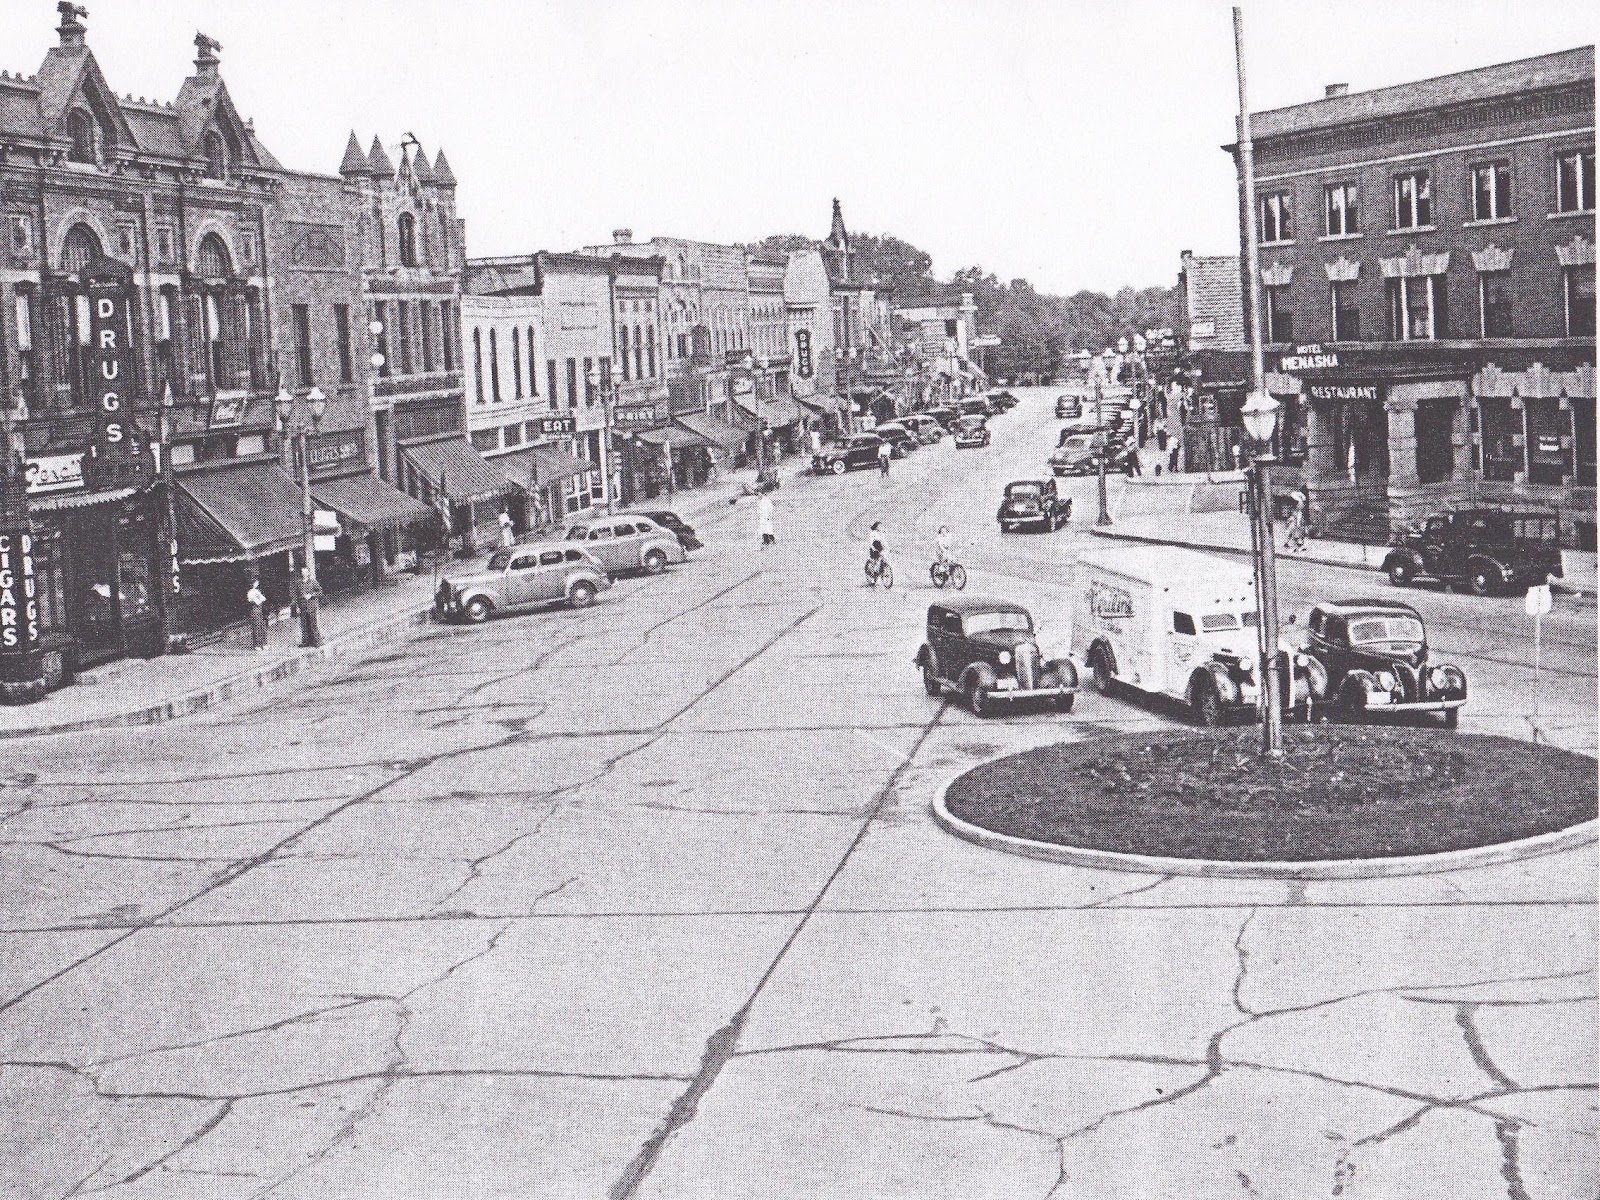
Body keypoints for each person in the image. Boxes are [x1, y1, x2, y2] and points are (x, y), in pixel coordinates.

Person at [246, 576, 269, 650]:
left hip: (260, 610)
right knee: (256, 627)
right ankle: (257, 645)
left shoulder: (257, 591)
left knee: (262, 626)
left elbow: (263, 599)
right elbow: (256, 601)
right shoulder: (250, 592)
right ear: (253, 583)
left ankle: (264, 643)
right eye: (256, 582)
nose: (257, 583)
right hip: (255, 610)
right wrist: (258, 600)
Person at [1284, 489, 1308, 553]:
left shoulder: (1300, 511)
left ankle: (1295, 547)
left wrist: (1297, 524)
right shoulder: (1295, 510)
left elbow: (1298, 517)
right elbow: (1293, 515)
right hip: (1294, 522)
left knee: (1296, 535)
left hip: (1297, 523)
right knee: (1292, 533)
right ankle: (1295, 546)